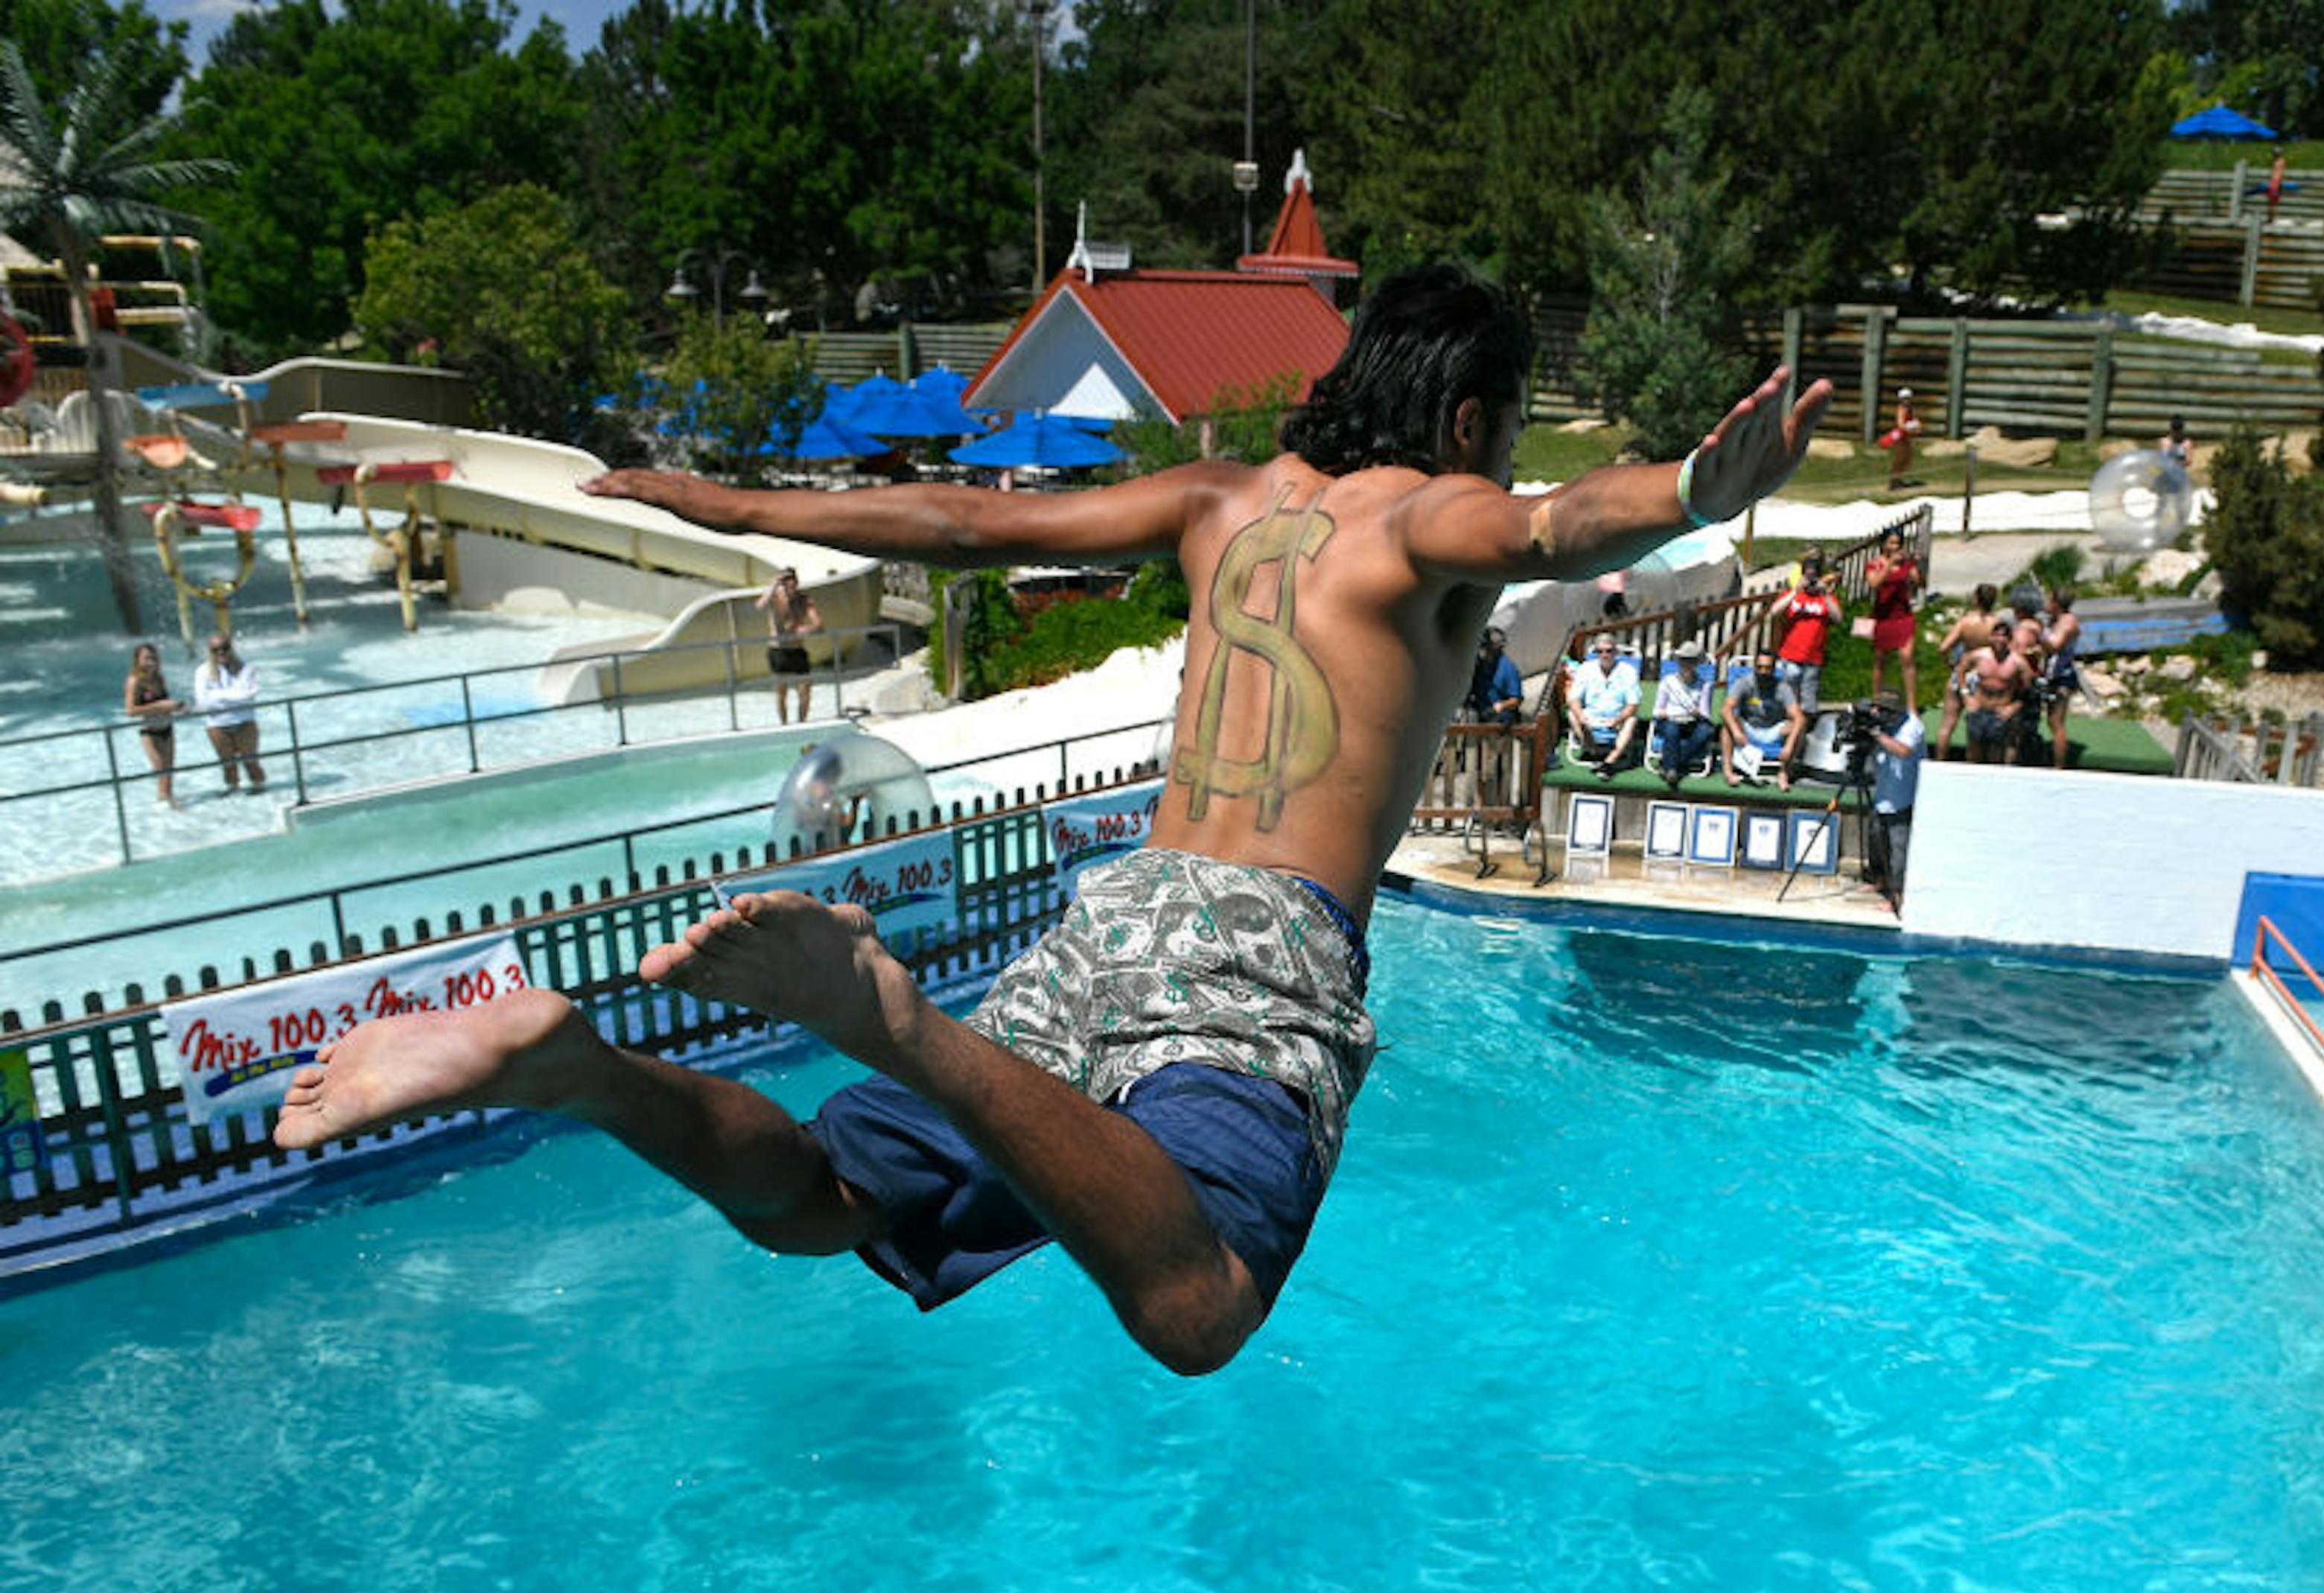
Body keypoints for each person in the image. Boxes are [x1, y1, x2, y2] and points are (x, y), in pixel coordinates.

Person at [269, 263, 1831, 1376]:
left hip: (1116, 913)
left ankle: (578, 1067)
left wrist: (728, 504)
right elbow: (1559, 525)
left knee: (825, 1204)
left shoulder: (1220, 494)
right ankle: (890, 1016)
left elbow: (962, 520)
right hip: (1261, 949)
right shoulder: (1434, 515)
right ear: (1472, 414)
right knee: (1201, 1302)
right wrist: (1702, 486)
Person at [1766, 547, 1838, 769]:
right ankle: (1786, 754)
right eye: (1808, 572)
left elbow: (1838, 617)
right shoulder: (1794, 594)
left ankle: (1795, 754)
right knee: (1791, 707)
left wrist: (1825, 594)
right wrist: (1795, 592)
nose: (1811, 576)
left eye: (1815, 572)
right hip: (1790, 656)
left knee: (1806, 709)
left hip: (1813, 660)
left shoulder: (1824, 597)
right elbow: (1774, 612)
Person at [1853, 701, 1925, 913]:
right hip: (1883, 796)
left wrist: (1877, 734)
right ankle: (1879, 880)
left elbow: (1903, 751)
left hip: (1904, 799)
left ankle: (1898, 896)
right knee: (1877, 840)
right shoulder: (1883, 726)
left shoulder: (1912, 726)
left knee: (1898, 850)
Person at [192, 632, 268, 792]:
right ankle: (233, 792)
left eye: (225, 648)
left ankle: (260, 789)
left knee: (251, 763)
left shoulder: (246, 668)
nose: (221, 652)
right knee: (228, 766)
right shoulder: (202, 671)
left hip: (244, 722)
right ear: (209, 651)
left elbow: (249, 695)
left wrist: (216, 696)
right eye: (215, 650)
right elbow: (203, 702)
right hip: (217, 725)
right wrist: (234, 696)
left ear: (231, 648)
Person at [1564, 632, 1643, 777]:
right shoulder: (1586, 669)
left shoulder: (1628, 671)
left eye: (1609, 651)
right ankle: (1593, 750)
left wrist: (1618, 719)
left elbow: (1633, 704)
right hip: (1591, 717)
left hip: (1617, 718)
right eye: (1600, 652)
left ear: (1616, 652)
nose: (1605, 655)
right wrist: (1581, 717)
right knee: (1572, 714)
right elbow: (1573, 698)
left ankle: (1610, 761)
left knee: (1632, 720)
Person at [1936, 584, 1995, 762]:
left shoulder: (1966, 622)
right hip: (1981, 674)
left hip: (1962, 670)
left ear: (1976, 599)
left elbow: (1944, 648)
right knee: (1976, 726)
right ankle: (1973, 764)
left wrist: (1951, 664)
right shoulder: (1996, 624)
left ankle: (1940, 760)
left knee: (1948, 724)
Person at [1864, 530, 1921, 707]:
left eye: (1898, 543)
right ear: (1884, 544)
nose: (1895, 547)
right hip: (1883, 617)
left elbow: (1918, 583)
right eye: (1891, 543)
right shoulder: (1875, 564)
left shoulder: (1905, 564)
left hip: (1903, 616)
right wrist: (1889, 565)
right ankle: (1876, 699)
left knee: (1907, 657)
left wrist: (1913, 565)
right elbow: (1874, 583)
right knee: (1881, 660)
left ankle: (1912, 705)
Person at [1963, 620, 2032, 766]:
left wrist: (2013, 707)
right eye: (1996, 635)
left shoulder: (2018, 663)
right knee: (1974, 752)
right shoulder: (1978, 655)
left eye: (2004, 636)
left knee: (1996, 755)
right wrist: (1966, 695)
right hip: (1979, 708)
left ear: (2010, 640)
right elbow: (1960, 670)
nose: (2000, 640)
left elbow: (2030, 689)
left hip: (2001, 712)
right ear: (1990, 637)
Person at [1650, 638, 1716, 790]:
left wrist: (1697, 713)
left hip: (1691, 722)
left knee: (1705, 732)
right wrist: (1671, 714)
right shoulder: (1667, 682)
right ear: (1679, 662)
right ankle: (1673, 770)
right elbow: (1657, 710)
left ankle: (1670, 764)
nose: (1687, 665)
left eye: (1691, 661)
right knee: (1672, 729)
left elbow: (1706, 713)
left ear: (1697, 663)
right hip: (1670, 721)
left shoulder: (1704, 685)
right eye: (1684, 661)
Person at [1722, 648, 1795, 788]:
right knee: (1728, 724)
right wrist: (1736, 732)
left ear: (1774, 669)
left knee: (1797, 726)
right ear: (1754, 667)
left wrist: (1789, 746)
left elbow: (1798, 717)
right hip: (1748, 728)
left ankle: (1783, 772)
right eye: (1760, 667)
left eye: (1767, 668)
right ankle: (1728, 772)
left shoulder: (1782, 687)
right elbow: (1726, 709)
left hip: (1772, 729)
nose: (1763, 672)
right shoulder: (1745, 682)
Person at [121, 641, 182, 808]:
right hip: (150, 731)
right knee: (161, 770)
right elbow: (130, 711)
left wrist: (176, 707)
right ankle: (166, 806)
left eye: (154, 658)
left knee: (169, 772)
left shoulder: (159, 678)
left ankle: (169, 803)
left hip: (167, 727)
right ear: (137, 660)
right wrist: (159, 706)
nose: (151, 662)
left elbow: (165, 702)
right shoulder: (134, 681)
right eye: (146, 658)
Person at [764, 567, 824, 724]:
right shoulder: (774, 598)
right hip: (778, 651)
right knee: (781, 693)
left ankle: (802, 722)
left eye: (792, 580)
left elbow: (819, 625)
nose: (790, 583)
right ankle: (784, 724)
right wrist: (773, 585)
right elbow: (760, 606)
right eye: (785, 580)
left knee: (805, 692)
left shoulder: (804, 600)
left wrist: (808, 629)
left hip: (797, 650)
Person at [2037, 585, 2083, 770]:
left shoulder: (2068, 622)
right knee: (2051, 721)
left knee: (2057, 722)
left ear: (2056, 604)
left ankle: (2059, 767)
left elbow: (2055, 644)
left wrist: (2038, 633)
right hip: (2051, 675)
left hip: (2062, 677)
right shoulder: (2055, 620)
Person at [1463, 625, 1524, 725]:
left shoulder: (1508, 668)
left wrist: (1500, 706)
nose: (1482, 652)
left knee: (1502, 718)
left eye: (1486, 649)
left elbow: (1516, 700)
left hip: (1500, 714)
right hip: (1481, 710)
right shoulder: (1479, 666)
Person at [1882, 387, 1923, 489]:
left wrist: (1916, 426)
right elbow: (1901, 425)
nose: (1907, 400)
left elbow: (1913, 420)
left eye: (1908, 398)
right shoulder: (1902, 409)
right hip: (1900, 436)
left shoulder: (1910, 409)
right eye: (1905, 398)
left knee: (1906, 459)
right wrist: (1911, 428)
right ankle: (1894, 482)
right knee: (1901, 459)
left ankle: (1898, 479)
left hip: (1905, 436)